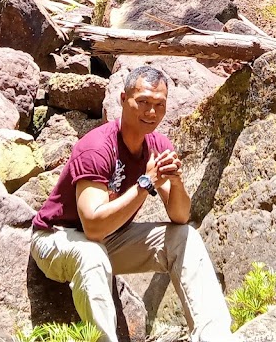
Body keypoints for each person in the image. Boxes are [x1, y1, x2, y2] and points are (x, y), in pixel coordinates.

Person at [31, 65, 233, 342]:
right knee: (91, 255)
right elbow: (93, 227)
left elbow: (180, 217)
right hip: (57, 237)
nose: (151, 112)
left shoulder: (158, 146)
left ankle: (215, 336)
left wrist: (175, 182)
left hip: (110, 239)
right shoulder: (96, 148)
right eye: (143, 102)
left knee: (184, 237)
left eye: (159, 105)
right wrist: (145, 183)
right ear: (124, 99)